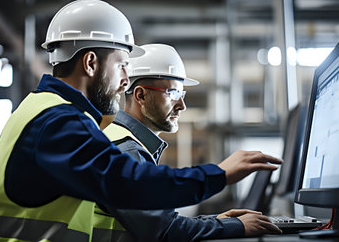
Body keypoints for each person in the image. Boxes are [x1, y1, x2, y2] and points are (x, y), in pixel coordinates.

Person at [0, 0, 282, 242]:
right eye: (122, 65)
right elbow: (129, 183)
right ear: (91, 62)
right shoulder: (58, 121)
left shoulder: (43, 109)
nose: (125, 80)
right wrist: (218, 175)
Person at [95, 44, 282, 241]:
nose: (182, 105)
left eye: (182, 95)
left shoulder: (124, 141)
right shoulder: (127, 149)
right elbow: (164, 231)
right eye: (173, 94)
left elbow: (157, 220)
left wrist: (218, 221)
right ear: (141, 95)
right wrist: (235, 226)